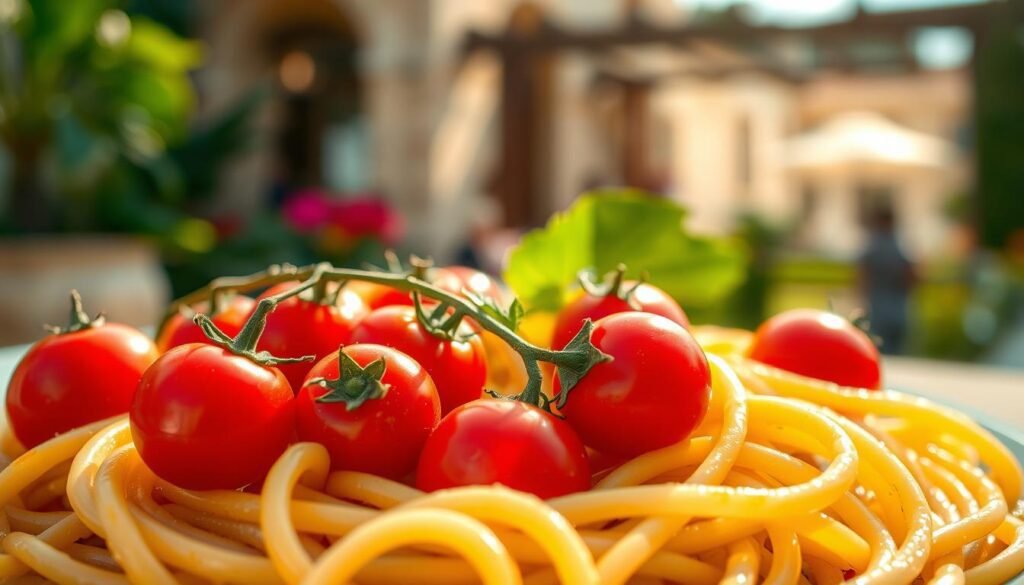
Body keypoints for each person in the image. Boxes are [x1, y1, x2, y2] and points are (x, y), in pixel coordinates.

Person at [858, 207, 915, 354]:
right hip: (899, 304)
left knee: (878, 348)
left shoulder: (872, 245)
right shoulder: (902, 246)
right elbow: (911, 275)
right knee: (897, 349)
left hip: (877, 304)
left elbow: (863, 274)